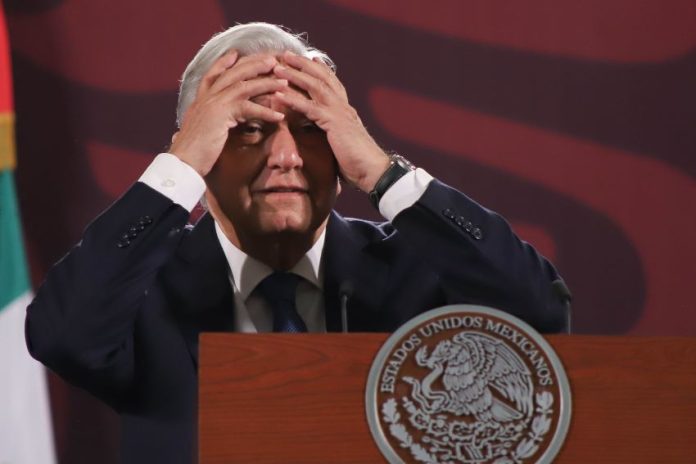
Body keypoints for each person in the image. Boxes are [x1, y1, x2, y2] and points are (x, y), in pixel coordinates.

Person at [25, 22, 570, 463]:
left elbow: (539, 313)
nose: (286, 156)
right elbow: (62, 337)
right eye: (249, 128)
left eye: (311, 129)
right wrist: (179, 166)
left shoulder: (416, 272)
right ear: (203, 149)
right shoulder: (144, 291)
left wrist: (384, 174)